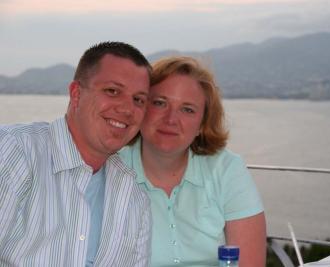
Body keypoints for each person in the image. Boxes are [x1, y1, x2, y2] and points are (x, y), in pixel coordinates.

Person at [0, 41, 152, 266]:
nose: (127, 109)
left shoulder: (134, 196)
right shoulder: (14, 151)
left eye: (138, 99)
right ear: (76, 93)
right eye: (113, 91)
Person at [119, 56, 267, 266]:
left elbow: (249, 263)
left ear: (201, 125)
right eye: (160, 103)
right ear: (141, 107)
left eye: (187, 109)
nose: (171, 119)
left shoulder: (226, 169)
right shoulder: (112, 170)